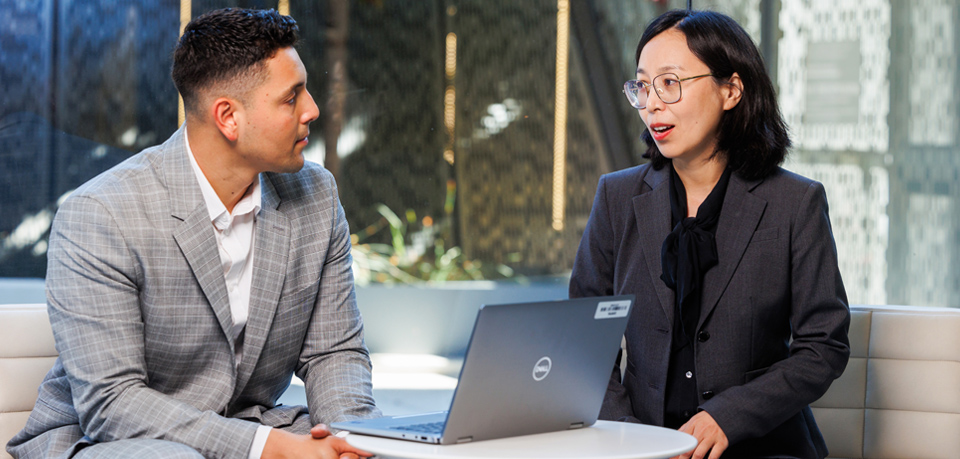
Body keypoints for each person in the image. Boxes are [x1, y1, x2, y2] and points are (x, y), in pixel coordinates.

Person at [7, 8, 379, 459]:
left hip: (248, 421)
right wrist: (268, 448)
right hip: (110, 440)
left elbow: (333, 354)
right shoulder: (102, 215)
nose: (313, 110)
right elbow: (112, 404)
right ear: (228, 117)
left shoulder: (316, 196)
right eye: (292, 97)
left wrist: (353, 441)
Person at [569, 9, 850, 459]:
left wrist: (731, 415)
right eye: (643, 86)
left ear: (731, 90)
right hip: (638, 447)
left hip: (761, 447)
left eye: (670, 82)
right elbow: (583, 339)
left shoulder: (795, 203)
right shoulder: (616, 197)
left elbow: (824, 347)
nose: (652, 103)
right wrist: (630, 438)